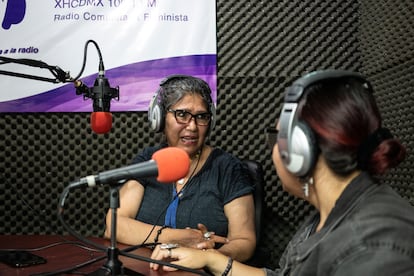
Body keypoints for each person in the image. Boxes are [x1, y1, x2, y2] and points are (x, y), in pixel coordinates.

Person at [149, 70, 414, 275]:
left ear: (299, 150)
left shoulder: (372, 245)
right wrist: (210, 259)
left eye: (278, 138)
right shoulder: (331, 215)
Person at [104, 74, 256, 262]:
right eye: (182, 114)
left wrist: (210, 257)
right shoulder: (148, 161)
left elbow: (245, 240)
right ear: (159, 117)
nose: (192, 126)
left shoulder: (227, 168)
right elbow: (114, 226)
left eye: (201, 116)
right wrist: (179, 238)